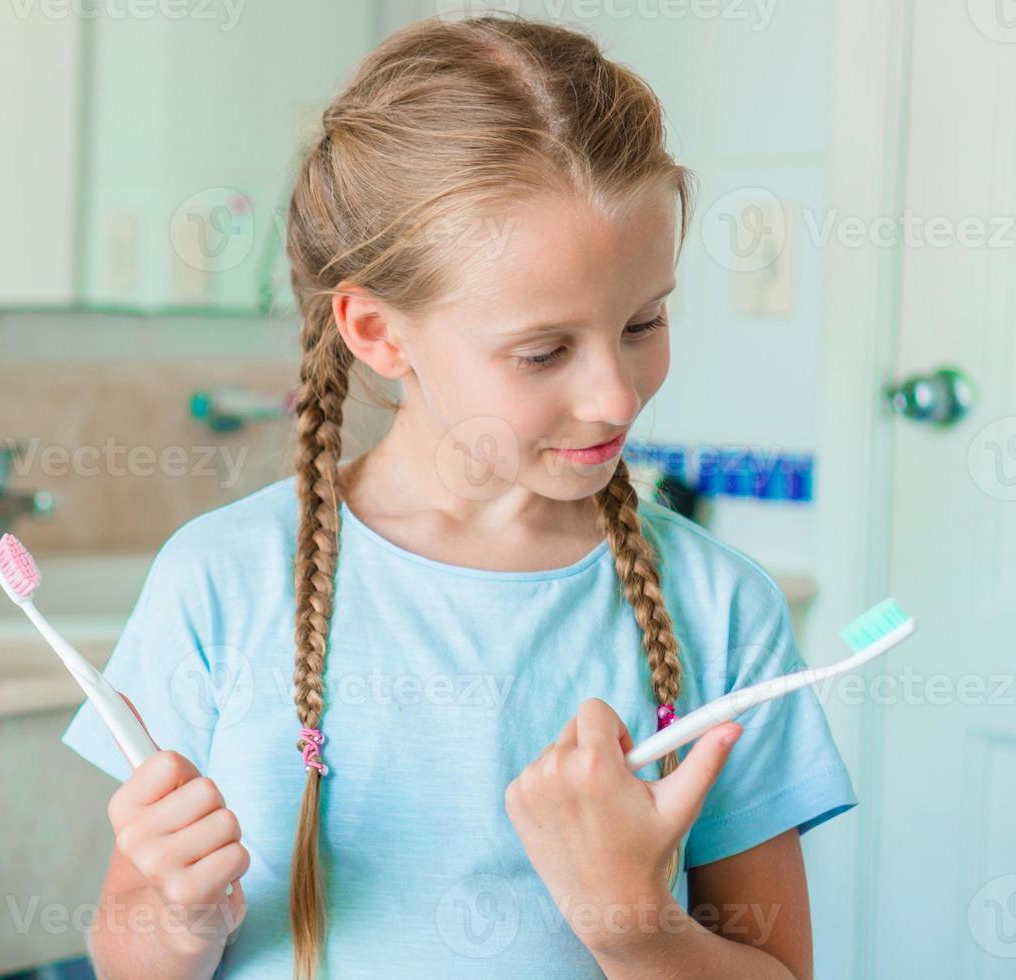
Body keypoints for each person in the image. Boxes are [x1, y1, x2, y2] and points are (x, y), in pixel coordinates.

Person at [60, 13, 856, 979]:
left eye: (644, 321)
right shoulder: (219, 583)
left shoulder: (722, 611)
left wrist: (637, 927)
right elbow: (124, 947)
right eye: (543, 351)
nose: (615, 393)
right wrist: (180, 922)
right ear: (377, 332)